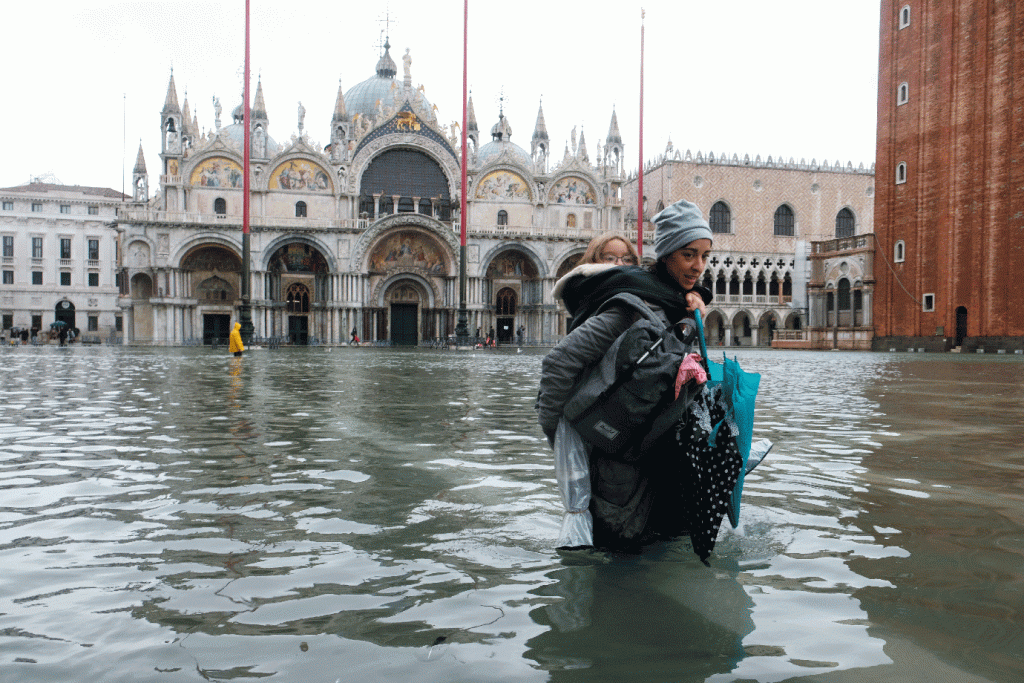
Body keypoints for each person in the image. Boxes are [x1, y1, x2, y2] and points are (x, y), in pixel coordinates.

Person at [537, 199, 715, 550]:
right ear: (665, 255)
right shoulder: (629, 307)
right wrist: (561, 438)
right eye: (688, 255)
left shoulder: (676, 304)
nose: (698, 266)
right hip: (617, 476)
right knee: (620, 567)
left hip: (658, 465)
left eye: (705, 256)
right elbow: (558, 365)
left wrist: (693, 320)